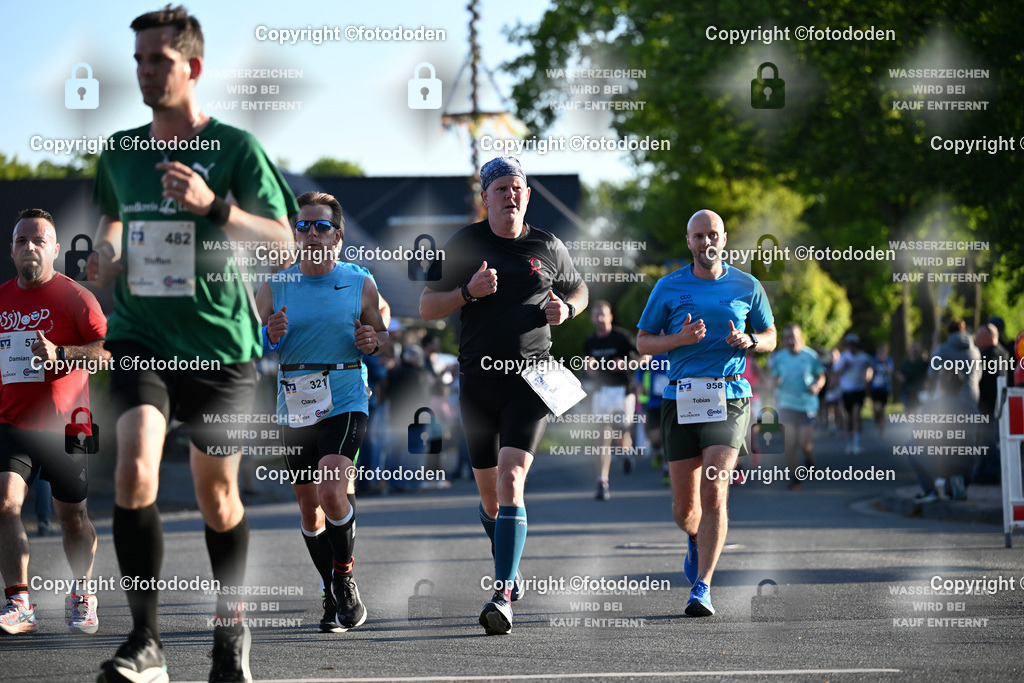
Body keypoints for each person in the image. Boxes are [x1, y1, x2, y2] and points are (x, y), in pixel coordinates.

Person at [88, 6, 298, 682]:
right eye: (139, 61)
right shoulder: (120, 149)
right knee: (133, 471)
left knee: (217, 499)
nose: (146, 72)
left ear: (193, 67)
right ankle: (145, 642)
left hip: (219, 345)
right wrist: (108, 253)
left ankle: (230, 629)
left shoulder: (235, 148)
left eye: (159, 60)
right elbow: (113, 216)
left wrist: (215, 206)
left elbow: (284, 239)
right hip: (140, 335)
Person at [419, 156, 588, 634]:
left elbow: (580, 291)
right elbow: (427, 305)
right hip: (477, 383)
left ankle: (503, 592)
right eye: (502, 189)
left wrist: (567, 310)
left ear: (527, 195)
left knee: (513, 479)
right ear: (485, 198)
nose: (511, 195)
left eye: (519, 187)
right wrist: (467, 294)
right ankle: (510, 565)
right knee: (491, 501)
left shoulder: (548, 245)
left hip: (532, 381)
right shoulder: (465, 243)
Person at [256, 190, 388, 634]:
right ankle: (330, 589)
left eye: (321, 226)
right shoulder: (275, 284)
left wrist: (373, 341)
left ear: (338, 236)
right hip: (295, 401)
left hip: (346, 393)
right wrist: (267, 336)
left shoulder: (359, 281)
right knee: (310, 511)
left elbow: (382, 333)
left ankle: (345, 578)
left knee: (334, 488)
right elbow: (248, 342)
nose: (311, 234)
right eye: (303, 226)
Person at [636, 209, 775, 617]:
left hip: (728, 397)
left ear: (724, 239)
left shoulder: (747, 285)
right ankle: (695, 537)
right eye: (698, 236)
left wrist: (749, 339)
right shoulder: (667, 287)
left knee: (715, 488)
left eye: (712, 234)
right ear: (688, 241)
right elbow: (644, 342)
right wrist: (677, 338)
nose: (706, 242)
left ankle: (703, 586)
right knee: (685, 509)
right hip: (680, 398)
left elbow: (770, 336)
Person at [1, 209, 107, 635]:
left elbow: (106, 353)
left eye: (39, 240)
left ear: (55, 249)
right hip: (12, 424)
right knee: (5, 505)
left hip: (71, 426)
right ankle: (18, 601)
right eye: (22, 240)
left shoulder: (77, 298)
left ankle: (83, 592)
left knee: (73, 517)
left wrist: (62, 354)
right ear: (12, 249)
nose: (30, 247)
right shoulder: (2, 297)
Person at [583, 300, 638, 499]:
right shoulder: (590, 341)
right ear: (592, 318)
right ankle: (602, 482)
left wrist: (625, 363)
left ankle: (625, 452)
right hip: (602, 392)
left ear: (610, 317)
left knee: (622, 432)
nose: (599, 318)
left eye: (603, 315)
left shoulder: (622, 337)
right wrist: (588, 365)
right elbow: (588, 359)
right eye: (596, 315)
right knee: (603, 436)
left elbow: (645, 355)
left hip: (623, 391)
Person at [768, 324, 825, 490]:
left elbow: (821, 375)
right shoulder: (780, 357)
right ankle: (796, 477)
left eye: (793, 337)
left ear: (800, 338)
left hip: (806, 404)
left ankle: (809, 460)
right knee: (789, 444)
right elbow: (775, 377)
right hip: (786, 404)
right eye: (786, 338)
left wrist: (817, 386)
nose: (790, 341)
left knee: (804, 444)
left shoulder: (810, 355)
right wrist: (772, 384)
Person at [974, 324, 1011, 483]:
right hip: (989, 404)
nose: (977, 339)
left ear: (990, 337)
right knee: (984, 439)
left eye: (980, 336)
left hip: (989, 404)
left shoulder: (994, 354)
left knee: (988, 440)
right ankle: (983, 471)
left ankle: (992, 473)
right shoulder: (1000, 353)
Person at [832, 334, 874, 455]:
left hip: (859, 390)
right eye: (849, 345)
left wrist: (867, 379)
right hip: (846, 390)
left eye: (853, 345)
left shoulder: (863, 357)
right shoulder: (844, 358)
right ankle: (849, 442)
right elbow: (835, 372)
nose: (851, 347)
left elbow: (871, 367)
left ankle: (856, 442)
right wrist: (844, 367)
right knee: (848, 417)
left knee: (856, 414)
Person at [896, 342, 929, 413]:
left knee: (919, 410)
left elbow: (929, 374)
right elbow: (898, 372)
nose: (914, 352)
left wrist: (926, 382)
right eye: (913, 350)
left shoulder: (923, 363)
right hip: (907, 391)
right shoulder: (905, 363)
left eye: (916, 351)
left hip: (920, 391)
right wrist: (901, 377)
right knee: (909, 411)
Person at [869, 343, 894, 435]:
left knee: (882, 408)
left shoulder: (888, 360)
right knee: (876, 407)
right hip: (875, 388)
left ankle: (882, 427)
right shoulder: (873, 360)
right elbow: (869, 372)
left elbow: (890, 371)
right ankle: (877, 418)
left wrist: (884, 363)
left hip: (885, 388)